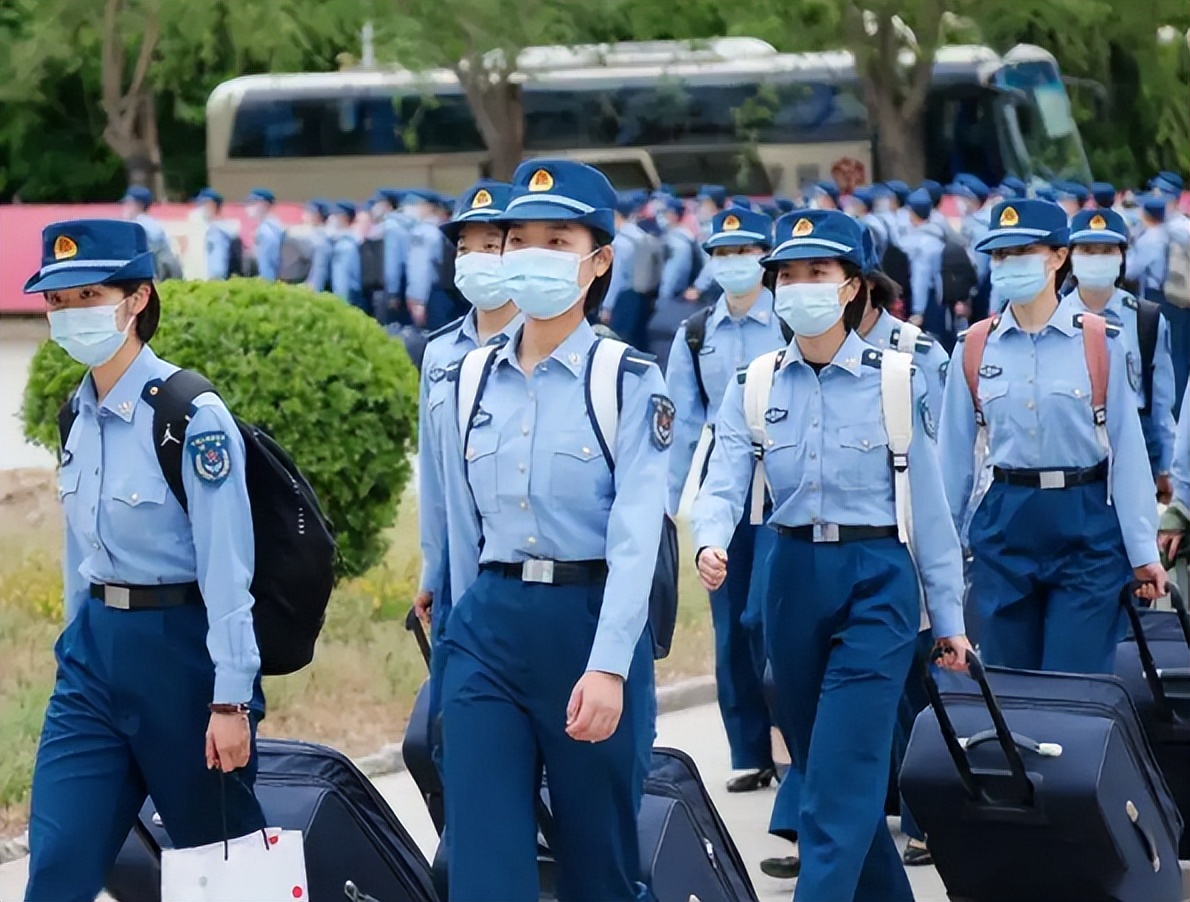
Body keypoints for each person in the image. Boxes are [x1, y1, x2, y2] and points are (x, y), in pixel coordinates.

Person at [693, 208, 970, 902]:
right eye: (787, 274)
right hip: (787, 577)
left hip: (877, 579)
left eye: (816, 272)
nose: (797, 287)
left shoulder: (896, 379)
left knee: (840, 776)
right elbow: (724, 478)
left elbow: (929, 512)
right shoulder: (754, 383)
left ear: (851, 286)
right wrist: (709, 540)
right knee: (823, 767)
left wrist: (950, 617)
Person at [435, 160, 665, 899]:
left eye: (556, 240)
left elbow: (635, 538)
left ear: (598, 262)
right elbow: (461, 528)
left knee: (598, 868)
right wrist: (454, 645)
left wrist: (609, 666)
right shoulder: (467, 378)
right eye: (517, 239)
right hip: (489, 629)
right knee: (481, 858)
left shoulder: (627, 380)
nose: (531, 255)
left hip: (587, 621)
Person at [21, 220, 264, 902]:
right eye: (58, 301)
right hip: (95, 659)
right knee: (60, 861)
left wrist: (230, 697)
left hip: (183, 659)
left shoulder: (189, 416)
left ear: (136, 300)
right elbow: (81, 551)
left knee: (227, 874)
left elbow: (228, 567)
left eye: (89, 294)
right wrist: (75, 642)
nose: (70, 314)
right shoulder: (77, 413)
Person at [937, 199, 1166, 675]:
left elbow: (1126, 452)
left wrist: (1143, 551)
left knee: (1073, 680)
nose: (1007, 266)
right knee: (1010, 683)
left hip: (1085, 520)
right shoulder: (974, 346)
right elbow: (952, 465)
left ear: (1059, 257)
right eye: (999, 256)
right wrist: (938, 565)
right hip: (1006, 519)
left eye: (1021, 252)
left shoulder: (1100, 340)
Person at [664, 207, 783, 793]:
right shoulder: (695, 332)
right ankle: (750, 748)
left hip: (783, 482)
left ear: (765, 256)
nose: (733, 263)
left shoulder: (787, 320)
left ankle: (790, 743)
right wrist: (663, 502)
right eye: (722, 252)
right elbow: (683, 420)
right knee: (731, 619)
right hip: (725, 484)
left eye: (744, 252)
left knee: (773, 616)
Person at [1066, 208, 1176, 496]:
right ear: (1070, 256)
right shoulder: (1054, 316)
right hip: (1072, 443)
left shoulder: (1145, 318)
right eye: (1087, 250)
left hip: (1135, 439)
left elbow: (1162, 402)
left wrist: (1168, 468)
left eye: (1106, 250)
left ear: (1121, 256)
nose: (1096, 258)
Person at [904, 188, 949, 344]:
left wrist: (918, 311)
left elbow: (920, 279)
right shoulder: (937, 235)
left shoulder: (920, 243)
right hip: (938, 297)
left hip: (926, 301)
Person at [120, 187, 181, 280]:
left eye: (128, 204)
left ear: (138, 205)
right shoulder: (148, 223)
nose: (125, 207)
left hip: (158, 273)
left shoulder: (143, 225)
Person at [369, 189, 410, 325]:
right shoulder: (405, 225)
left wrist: (392, 293)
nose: (373, 208)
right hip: (403, 286)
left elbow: (392, 262)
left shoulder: (390, 228)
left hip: (389, 289)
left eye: (377, 203)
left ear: (387, 206)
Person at [328, 200, 364, 311]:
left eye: (335, 215)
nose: (331, 219)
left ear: (344, 218)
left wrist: (340, 304)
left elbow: (341, 278)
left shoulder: (344, 245)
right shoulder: (351, 240)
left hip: (346, 298)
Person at [193, 188, 234, 280]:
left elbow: (218, 264)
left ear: (212, 205)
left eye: (203, 204)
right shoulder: (215, 228)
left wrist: (214, 282)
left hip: (215, 281)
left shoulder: (216, 232)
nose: (200, 209)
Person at [246, 188, 284, 282]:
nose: (249, 207)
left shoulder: (267, 230)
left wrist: (266, 286)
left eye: (254, 203)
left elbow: (268, 264)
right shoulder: (264, 227)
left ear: (265, 205)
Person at [303, 199, 332, 293]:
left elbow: (319, 270)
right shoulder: (316, 235)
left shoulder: (321, 239)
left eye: (308, 212)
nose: (304, 215)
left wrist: (312, 293)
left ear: (317, 216)